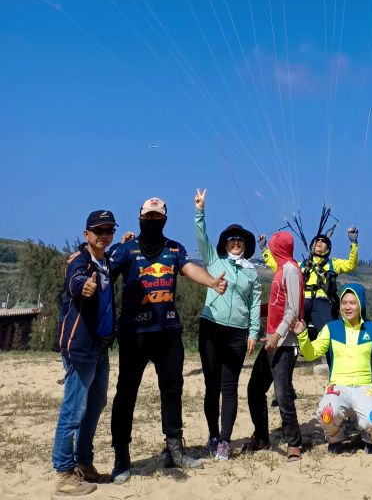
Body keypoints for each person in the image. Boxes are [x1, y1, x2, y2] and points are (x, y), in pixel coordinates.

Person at [108, 197, 228, 483]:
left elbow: (189, 269)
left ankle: (174, 450)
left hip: (168, 332)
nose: (152, 222)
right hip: (134, 334)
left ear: (165, 219)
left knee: (173, 390)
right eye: (147, 218)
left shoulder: (174, 248)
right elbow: (105, 272)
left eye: (156, 217)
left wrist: (211, 281)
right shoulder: (127, 248)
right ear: (139, 219)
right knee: (126, 393)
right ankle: (121, 458)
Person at [52, 210, 118, 497]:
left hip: (100, 347)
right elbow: (74, 280)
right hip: (80, 348)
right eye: (98, 230)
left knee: (96, 404)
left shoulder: (106, 261)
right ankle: (64, 472)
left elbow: (111, 256)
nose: (103, 235)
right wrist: (84, 286)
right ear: (86, 234)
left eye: (109, 230)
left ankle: (84, 463)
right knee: (74, 409)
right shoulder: (78, 262)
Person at [194, 188, 261, 460]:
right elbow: (201, 239)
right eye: (232, 239)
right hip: (211, 328)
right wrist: (200, 211)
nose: (236, 242)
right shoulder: (214, 260)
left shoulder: (251, 271)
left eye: (240, 240)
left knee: (229, 387)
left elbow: (255, 303)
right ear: (226, 243)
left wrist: (253, 333)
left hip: (237, 333)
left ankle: (224, 440)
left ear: (245, 244)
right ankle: (212, 434)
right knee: (211, 385)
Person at [294, 282, 372, 452]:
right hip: (338, 386)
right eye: (344, 303)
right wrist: (302, 335)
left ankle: (368, 437)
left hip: (364, 387)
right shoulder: (331, 328)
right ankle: (336, 439)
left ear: (361, 304)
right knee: (327, 415)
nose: (347, 307)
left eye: (353, 302)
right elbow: (310, 354)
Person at [245, 231, 304, 461]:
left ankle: (294, 444)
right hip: (272, 339)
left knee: (282, 394)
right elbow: (277, 304)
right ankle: (261, 437)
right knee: (255, 389)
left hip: (284, 343)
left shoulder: (290, 270)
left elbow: (292, 309)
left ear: (277, 247)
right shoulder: (281, 269)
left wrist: (276, 336)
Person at [262, 226, 359, 337]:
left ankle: (333, 352)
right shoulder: (300, 265)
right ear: (312, 245)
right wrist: (265, 249)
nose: (320, 242)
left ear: (328, 248)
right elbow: (279, 268)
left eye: (323, 242)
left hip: (321, 300)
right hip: (302, 300)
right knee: (289, 330)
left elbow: (351, 265)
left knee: (329, 332)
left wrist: (353, 242)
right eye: (317, 241)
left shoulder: (333, 264)